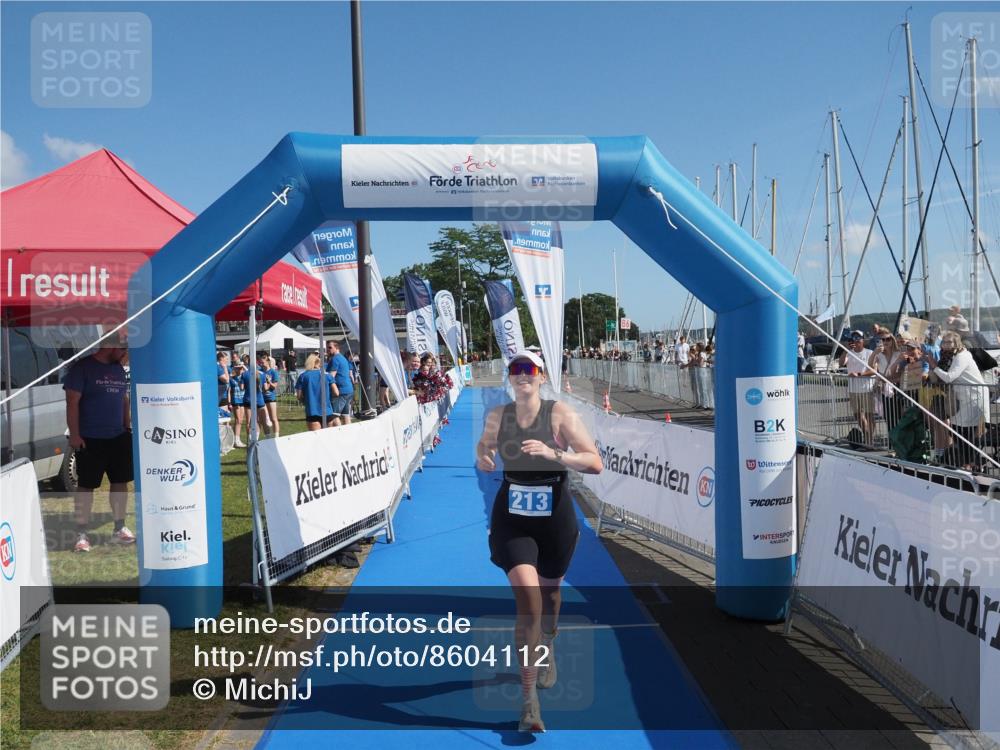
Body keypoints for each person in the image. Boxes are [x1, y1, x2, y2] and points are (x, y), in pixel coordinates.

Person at [475, 350, 602, 732]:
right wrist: (484, 454)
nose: (521, 375)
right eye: (515, 369)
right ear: (509, 378)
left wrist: (555, 453)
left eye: (528, 369)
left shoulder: (560, 413)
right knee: (529, 602)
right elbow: (484, 444)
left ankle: (548, 647)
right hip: (513, 517)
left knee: (550, 597)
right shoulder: (499, 415)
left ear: (541, 375)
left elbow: (594, 462)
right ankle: (529, 703)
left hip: (555, 517)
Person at [64, 334, 135, 552]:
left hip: (118, 436)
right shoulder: (82, 368)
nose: (125, 356)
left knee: (120, 482)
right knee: (86, 486)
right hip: (90, 438)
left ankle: (119, 528)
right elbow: (72, 402)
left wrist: (127, 426)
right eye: (123, 351)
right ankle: (81, 534)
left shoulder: (117, 370)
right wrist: (75, 435)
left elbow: (123, 399)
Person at [932, 331, 987, 471]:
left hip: (972, 397)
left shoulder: (962, 356)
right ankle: (970, 462)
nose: (945, 344)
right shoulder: (953, 356)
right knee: (957, 430)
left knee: (965, 432)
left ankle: (972, 464)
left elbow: (950, 377)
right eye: (944, 342)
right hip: (962, 398)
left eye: (949, 342)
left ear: (957, 342)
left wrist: (933, 366)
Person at [838, 331, 877, 445]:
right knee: (857, 414)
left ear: (863, 340)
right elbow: (841, 363)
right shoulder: (849, 353)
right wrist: (846, 349)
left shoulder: (869, 353)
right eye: (853, 339)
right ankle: (867, 436)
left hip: (867, 388)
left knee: (869, 415)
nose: (856, 341)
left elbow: (874, 370)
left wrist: (859, 374)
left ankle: (870, 440)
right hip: (853, 389)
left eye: (858, 338)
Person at [295, 353, 336, 430]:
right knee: (328, 439)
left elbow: (299, 396)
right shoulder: (327, 375)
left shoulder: (303, 376)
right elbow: (336, 392)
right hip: (327, 411)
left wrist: (305, 401)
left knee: (316, 440)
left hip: (312, 410)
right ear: (317, 364)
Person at [239, 359, 270, 439]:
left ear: (248, 364)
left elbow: (241, 388)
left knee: (249, 422)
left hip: (248, 400)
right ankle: (268, 439)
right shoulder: (262, 374)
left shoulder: (244, 374)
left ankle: (251, 441)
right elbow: (265, 388)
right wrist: (268, 383)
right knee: (264, 422)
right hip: (259, 400)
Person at [229, 361, 247, 448]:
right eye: (238, 368)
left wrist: (243, 366)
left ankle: (236, 439)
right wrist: (229, 402)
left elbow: (250, 373)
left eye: (241, 369)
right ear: (235, 369)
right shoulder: (231, 378)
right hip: (235, 400)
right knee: (238, 420)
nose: (240, 370)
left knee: (240, 421)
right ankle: (235, 440)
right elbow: (229, 391)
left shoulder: (244, 377)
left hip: (242, 400)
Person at [263, 355, 281, 438]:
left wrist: (269, 381)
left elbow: (274, 386)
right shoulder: (260, 372)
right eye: (260, 362)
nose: (262, 364)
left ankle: (276, 437)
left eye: (263, 362)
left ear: (268, 362)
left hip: (271, 398)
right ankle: (268, 438)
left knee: (273, 418)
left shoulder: (273, 372)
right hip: (262, 398)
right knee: (265, 419)